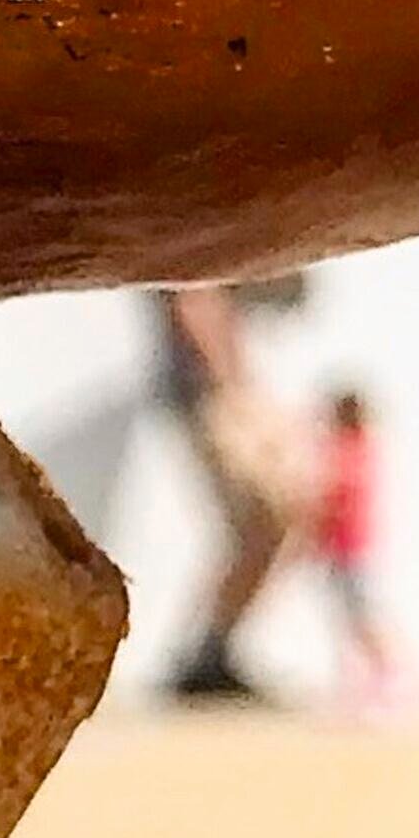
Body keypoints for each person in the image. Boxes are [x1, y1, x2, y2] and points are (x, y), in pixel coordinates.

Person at [150, 278, 320, 703]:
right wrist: (235, 395)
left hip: (221, 394)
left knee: (266, 525)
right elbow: (192, 299)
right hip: (213, 397)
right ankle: (206, 652)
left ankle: (211, 649)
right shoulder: (189, 262)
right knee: (266, 519)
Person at [314, 384, 396, 713]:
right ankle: (357, 687)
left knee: (364, 617)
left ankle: (390, 677)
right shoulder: (342, 450)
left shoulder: (356, 451)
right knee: (347, 621)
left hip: (353, 551)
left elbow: (336, 497)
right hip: (339, 552)